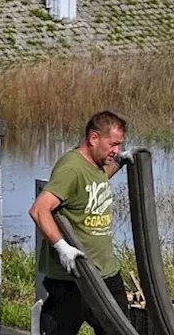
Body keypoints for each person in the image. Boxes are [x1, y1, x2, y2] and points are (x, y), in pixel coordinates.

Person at [29, 110, 134, 335]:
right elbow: (39, 210)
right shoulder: (71, 168)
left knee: (120, 330)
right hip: (74, 277)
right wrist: (62, 248)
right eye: (113, 144)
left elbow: (94, 183)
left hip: (105, 272)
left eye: (120, 145)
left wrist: (120, 163)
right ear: (93, 138)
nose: (116, 150)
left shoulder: (97, 164)